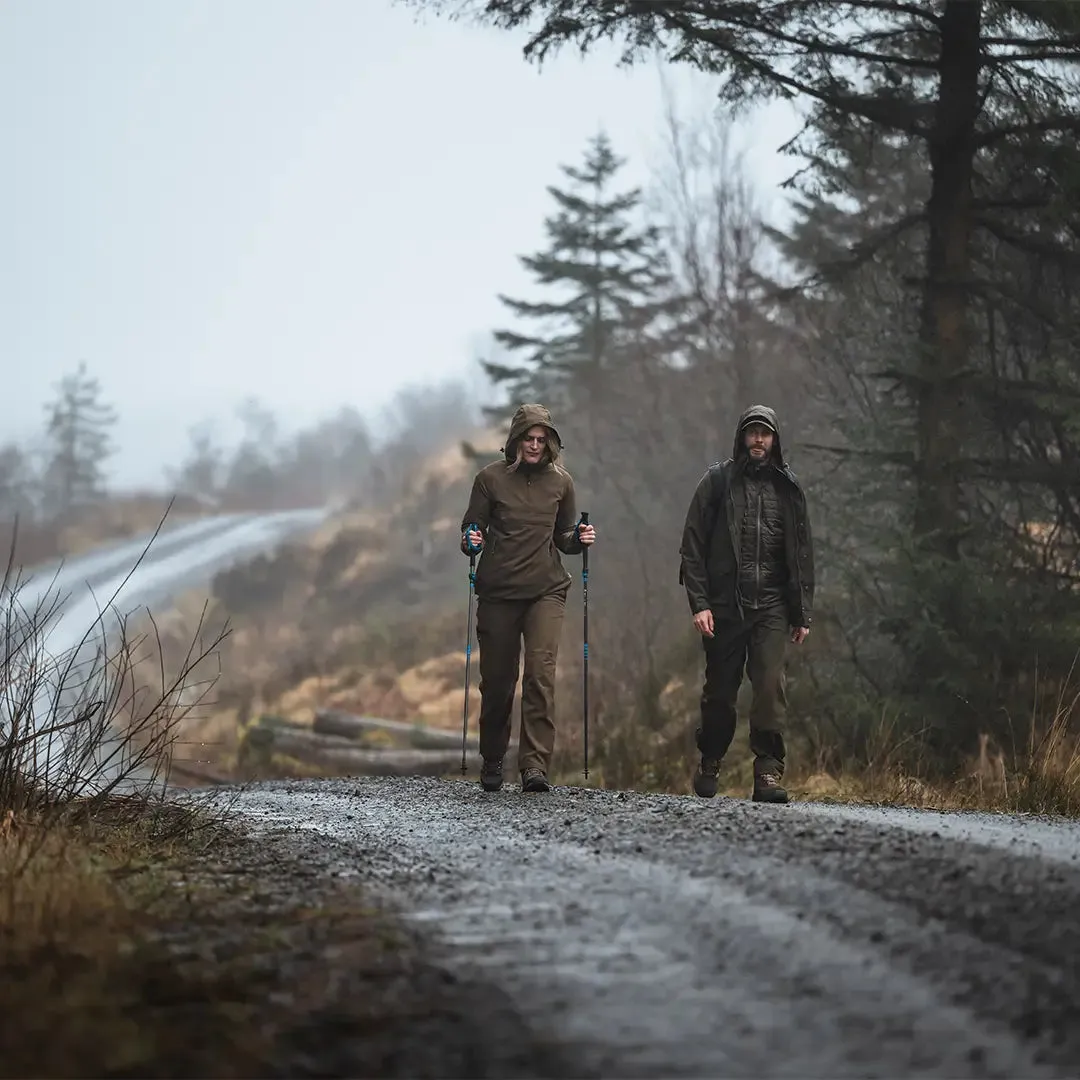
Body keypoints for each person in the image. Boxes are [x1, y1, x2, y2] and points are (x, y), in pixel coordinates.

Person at [678, 405, 815, 804]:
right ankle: (710, 760)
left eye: (765, 434)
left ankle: (768, 773)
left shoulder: (788, 489)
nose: (759, 440)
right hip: (724, 606)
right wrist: (699, 603)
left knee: (771, 686)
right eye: (753, 433)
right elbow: (691, 545)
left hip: (771, 606)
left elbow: (802, 553)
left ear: (775, 440)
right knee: (720, 693)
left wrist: (801, 610)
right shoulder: (718, 482)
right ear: (742, 438)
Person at [460, 403, 596, 793]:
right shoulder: (489, 479)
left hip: (546, 592)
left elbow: (565, 537)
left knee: (540, 675)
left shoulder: (561, 483)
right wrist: (471, 539)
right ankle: (492, 756)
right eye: (528, 439)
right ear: (515, 441)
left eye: (541, 440)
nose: (535, 446)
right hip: (499, 593)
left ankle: (535, 765)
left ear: (550, 442)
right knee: (499, 682)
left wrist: (580, 538)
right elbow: (472, 528)